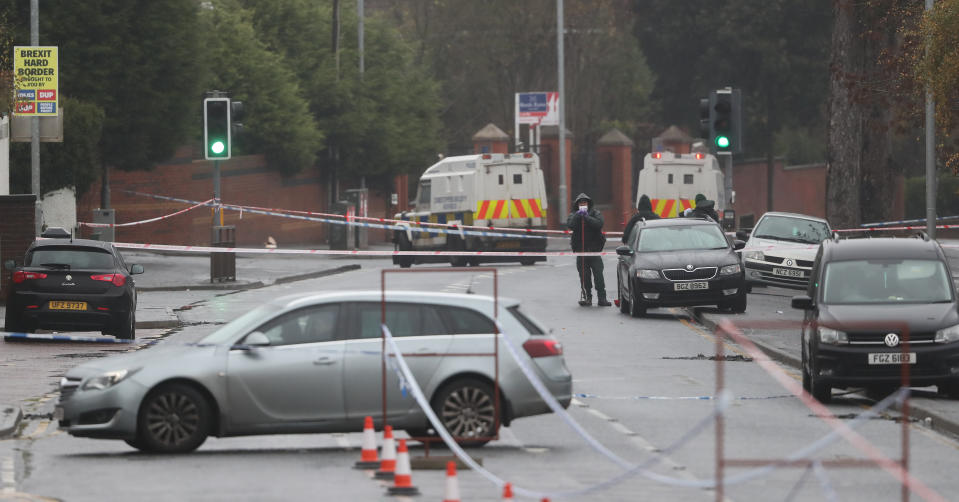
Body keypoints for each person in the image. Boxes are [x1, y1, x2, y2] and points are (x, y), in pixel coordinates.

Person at [568, 193, 610, 307]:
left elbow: (599, 224)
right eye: (580, 203)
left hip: (594, 251)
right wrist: (578, 216)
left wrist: (587, 217)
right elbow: (570, 225)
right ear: (577, 205)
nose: (583, 205)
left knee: (599, 276)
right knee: (584, 277)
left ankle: (602, 298)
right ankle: (587, 298)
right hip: (581, 252)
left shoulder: (596, 213)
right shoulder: (573, 215)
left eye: (585, 203)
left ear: (588, 204)